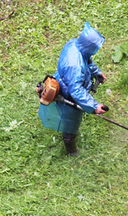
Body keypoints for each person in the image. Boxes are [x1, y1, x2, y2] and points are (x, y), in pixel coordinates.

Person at [38, 22, 108, 156]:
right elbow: (76, 90)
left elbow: (87, 60)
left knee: (71, 116)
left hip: (65, 79)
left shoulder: (75, 44)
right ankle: (70, 148)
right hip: (68, 93)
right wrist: (94, 106)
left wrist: (96, 72)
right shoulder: (75, 66)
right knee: (71, 121)